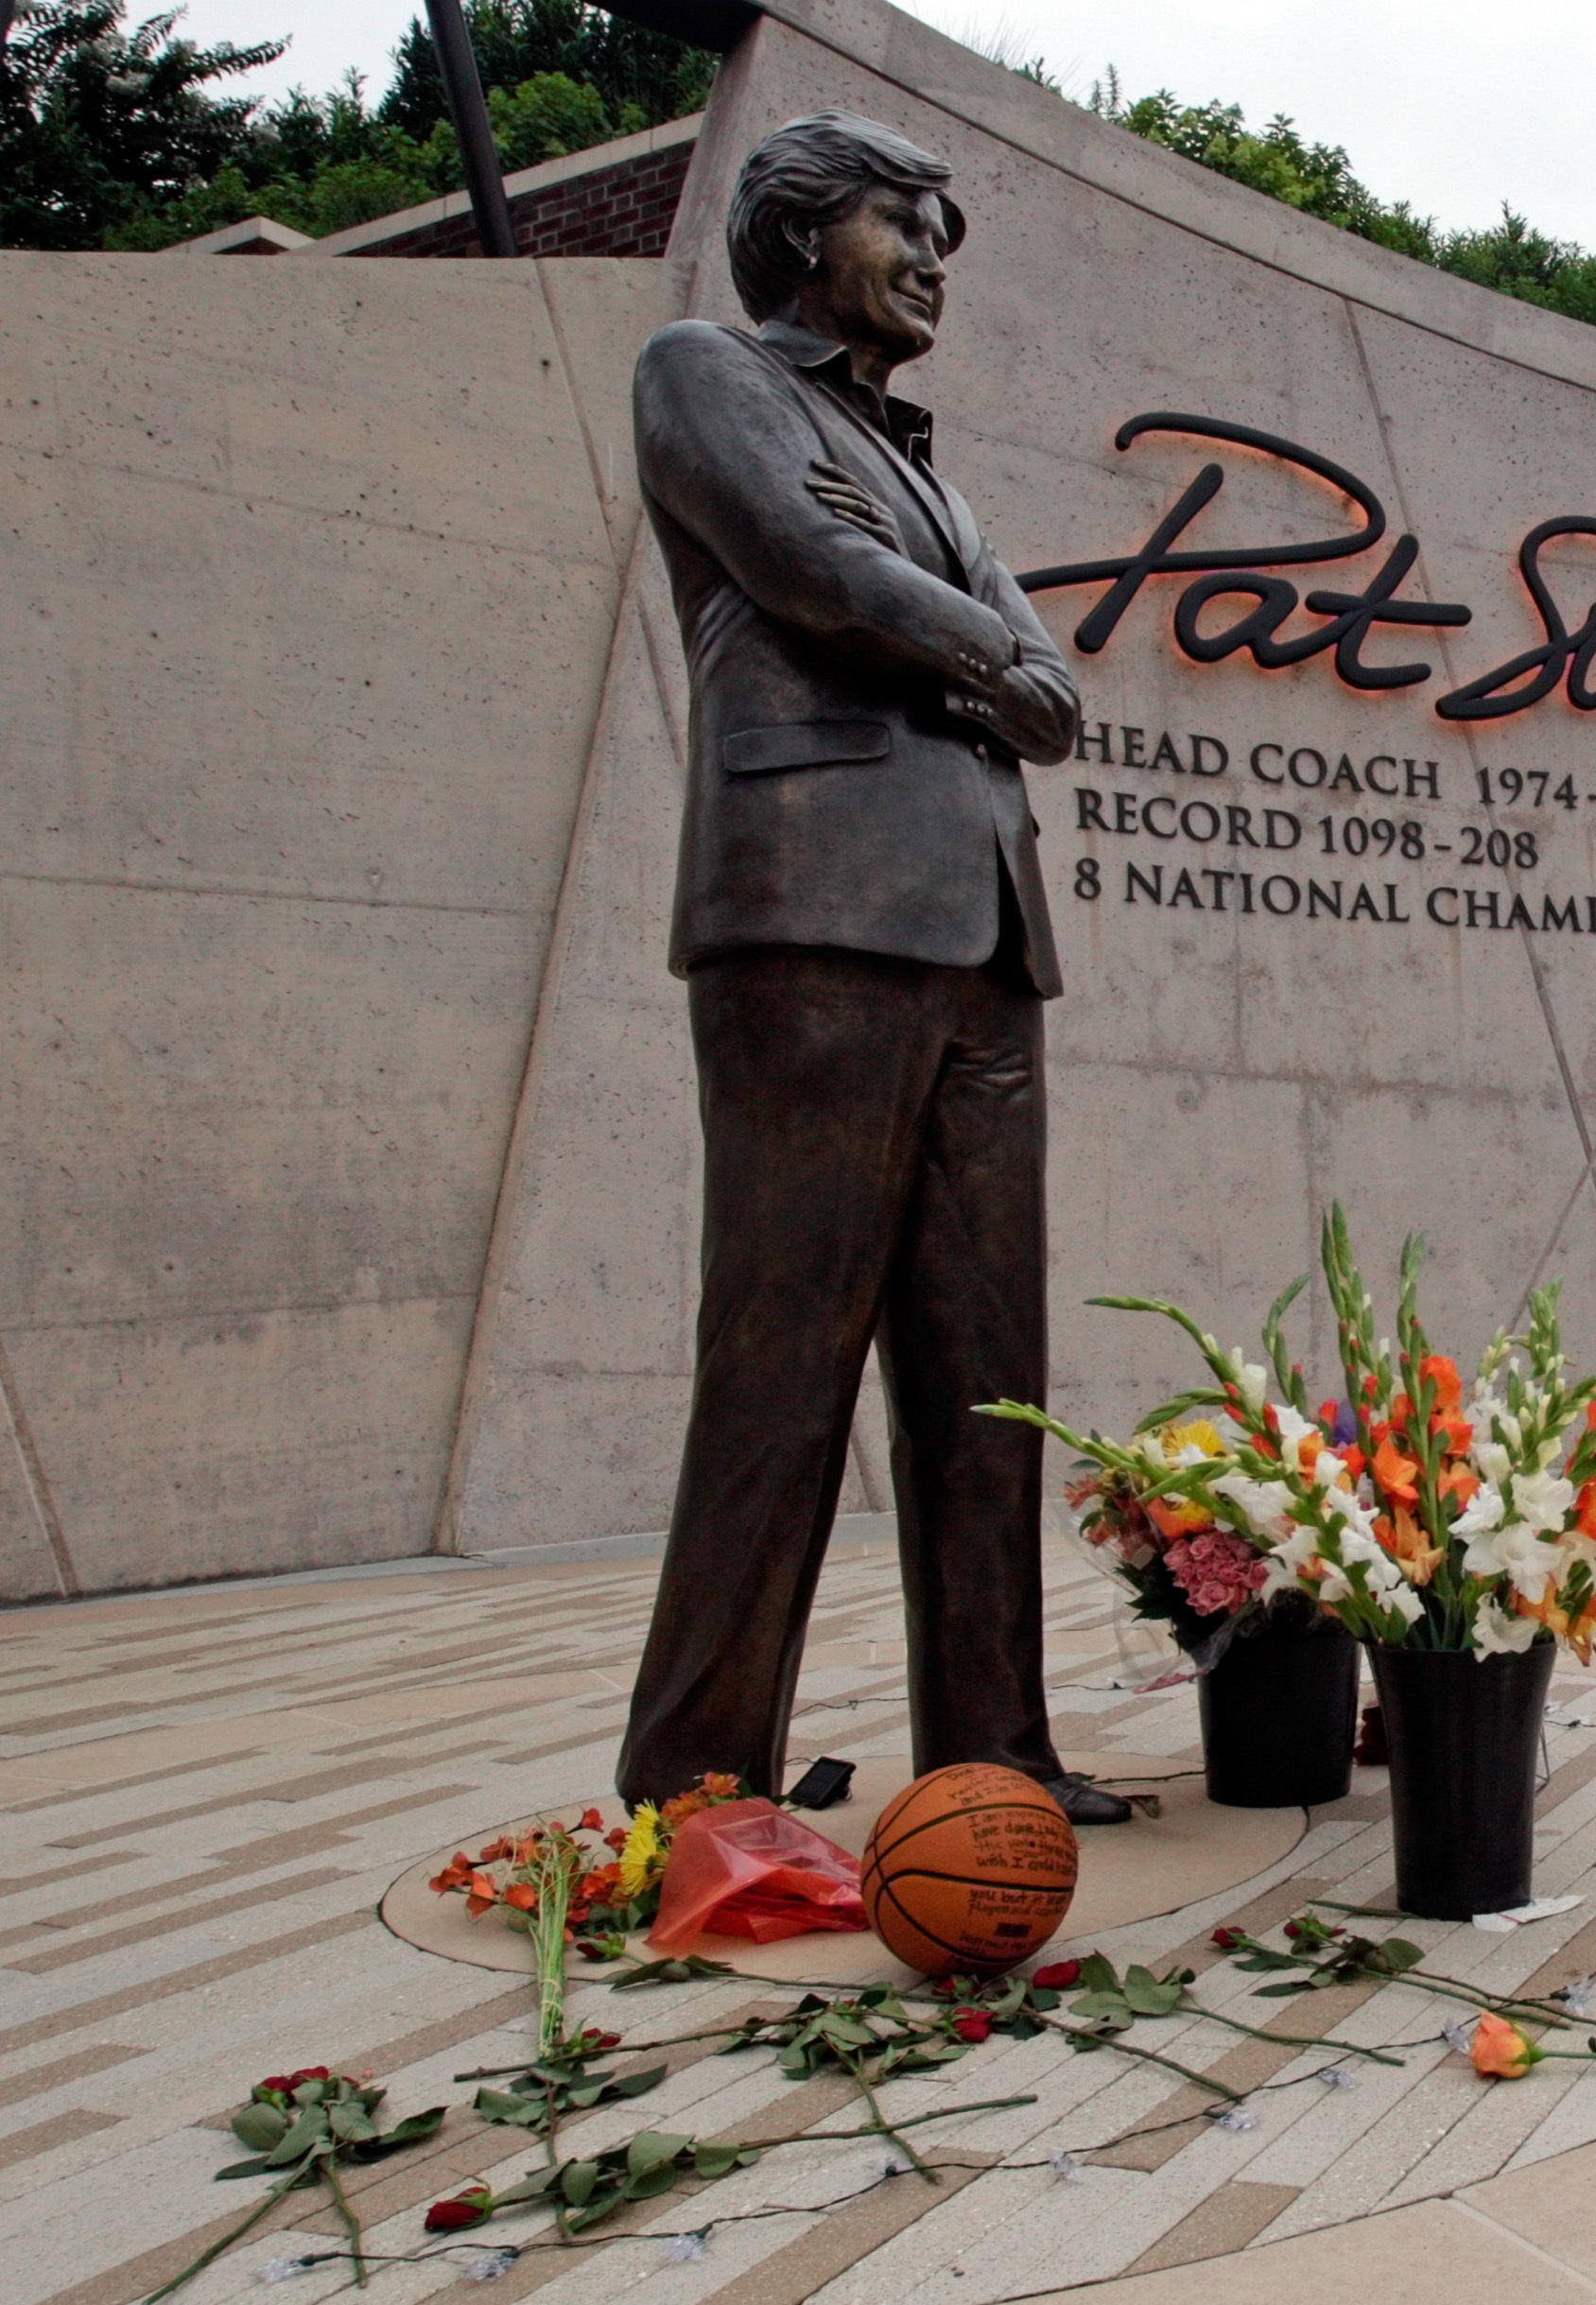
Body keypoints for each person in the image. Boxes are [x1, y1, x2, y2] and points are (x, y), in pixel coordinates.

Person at [614, 110, 1127, 1825]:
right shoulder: (703, 369)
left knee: (988, 1381)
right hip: (811, 907)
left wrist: (946, 616)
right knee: (782, 1354)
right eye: (902, 223)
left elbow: (1052, 700)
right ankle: (694, 1787)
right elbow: (809, 573)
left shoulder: (935, 477)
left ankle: (997, 1761)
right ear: (797, 232)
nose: (928, 259)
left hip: (988, 932)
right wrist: (961, 630)